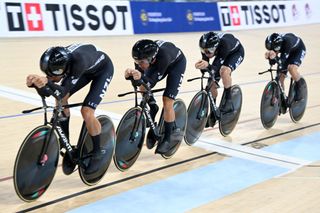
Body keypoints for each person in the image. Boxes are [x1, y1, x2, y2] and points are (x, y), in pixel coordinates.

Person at [26, 44, 114, 174]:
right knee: (60, 100)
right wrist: (37, 84)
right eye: (47, 73)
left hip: (103, 70)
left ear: (62, 69)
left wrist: (47, 82)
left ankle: (97, 152)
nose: (49, 77)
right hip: (85, 69)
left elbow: (60, 90)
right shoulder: (59, 60)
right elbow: (52, 92)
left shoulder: (78, 62)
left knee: (86, 111)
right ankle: (66, 142)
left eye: (52, 74)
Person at [124, 39, 186, 154]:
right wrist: (131, 76)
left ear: (151, 58)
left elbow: (150, 83)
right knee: (142, 86)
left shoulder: (163, 57)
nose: (138, 64)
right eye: (136, 61)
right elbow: (141, 83)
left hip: (176, 64)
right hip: (157, 64)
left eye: (141, 62)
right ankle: (153, 107)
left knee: (167, 101)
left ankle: (167, 139)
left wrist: (139, 77)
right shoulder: (141, 57)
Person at [195, 31, 244, 120]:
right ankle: (213, 111)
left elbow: (215, 67)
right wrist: (202, 67)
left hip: (235, 53)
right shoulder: (206, 47)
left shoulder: (224, 45)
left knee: (224, 71)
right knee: (211, 82)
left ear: (215, 47)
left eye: (208, 51)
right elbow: (207, 63)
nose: (205, 53)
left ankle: (228, 100)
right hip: (222, 54)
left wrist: (208, 66)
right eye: (203, 51)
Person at [265, 33, 306, 101]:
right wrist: (270, 58)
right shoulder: (276, 43)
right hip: (286, 51)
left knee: (291, 68)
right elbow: (275, 54)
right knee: (280, 76)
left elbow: (282, 60)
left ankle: (300, 89)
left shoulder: (287, 43)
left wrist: (275, 59)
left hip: (298, 50)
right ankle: (281, 99)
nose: (272, 50)